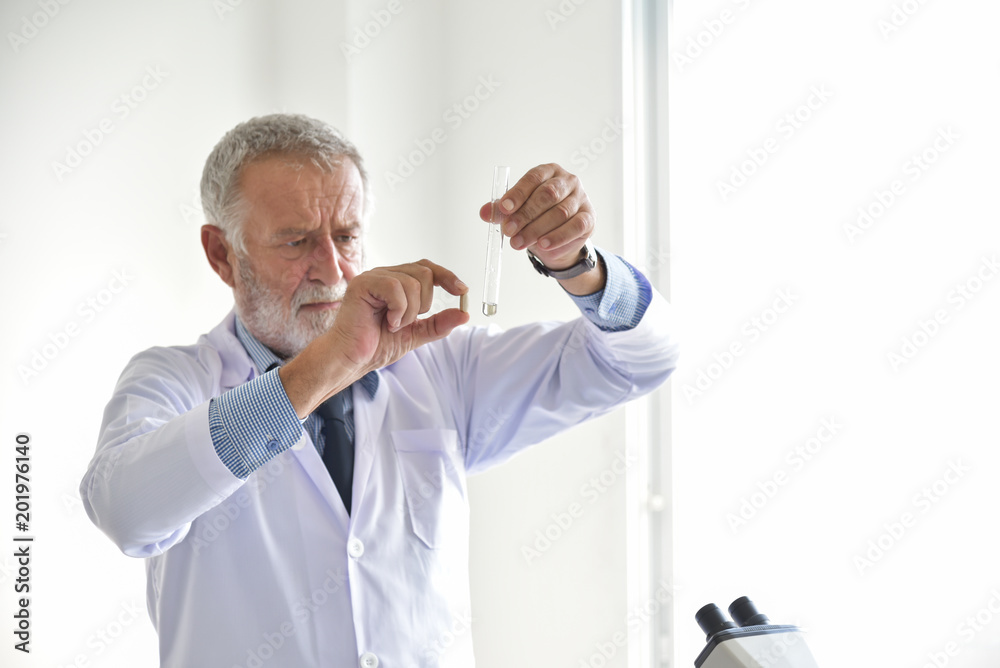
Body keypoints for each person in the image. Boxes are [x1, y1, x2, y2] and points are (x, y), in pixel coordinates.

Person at [80, 113, 678, 667]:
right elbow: (126, 512)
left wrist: (576, 264)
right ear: (222, 255)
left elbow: (643, 361)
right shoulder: (173, 380)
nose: (333, 270)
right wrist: (327, 365)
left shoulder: (442, 367)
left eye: (345, 236)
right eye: (295, 241)